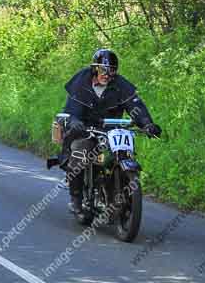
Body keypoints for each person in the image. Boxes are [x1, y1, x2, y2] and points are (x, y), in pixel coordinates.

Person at [59, 48, 161, 214]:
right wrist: (75, 121)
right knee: (80, 153)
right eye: (103, 69)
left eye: (111, 70)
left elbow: (135, 106)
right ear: (94, 69)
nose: (107, 74)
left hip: (112, 132)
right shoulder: (81, 82)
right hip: (86, 130)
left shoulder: (121, 85)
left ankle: (117, 189)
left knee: (122, 154)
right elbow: (72, 109)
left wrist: (147, 124)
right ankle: (76, 198)